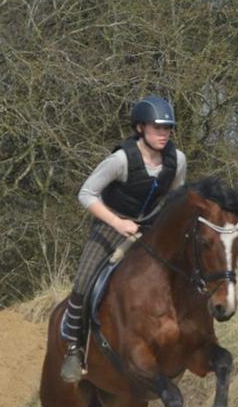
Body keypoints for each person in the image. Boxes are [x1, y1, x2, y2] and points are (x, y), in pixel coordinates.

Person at [59, 95, 188, 382]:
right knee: (83, 280)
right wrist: (118, 222)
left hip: (151, 226)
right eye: (158, 128)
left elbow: (175, 197)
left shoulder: (176, 160)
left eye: (167, 129)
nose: (164, 135)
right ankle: (74, 348)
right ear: (140, 128)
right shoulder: (119, 160)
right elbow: (86, 194)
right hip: (111, 224)